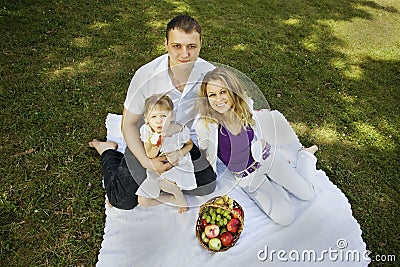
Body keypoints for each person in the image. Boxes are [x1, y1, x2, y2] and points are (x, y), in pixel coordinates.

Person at [89, 15, 216, 210]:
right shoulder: (146, 75)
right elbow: (128, 123)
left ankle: (164, 187)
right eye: (177, 46)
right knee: (122, 200)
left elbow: (229, 103)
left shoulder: (209, 73)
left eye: (192, 46)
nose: (185, 54)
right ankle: (108, 151)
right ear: (166, 44)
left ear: (200, 44)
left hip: (179, 141)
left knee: (208, 186)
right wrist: (148, 163)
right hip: (148, 140)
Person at [196, 67, 319, 225]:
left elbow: (257, 131)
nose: (218, 99)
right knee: (285, 218)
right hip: (248, 177)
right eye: (212, 95)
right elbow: (205, 154)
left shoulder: (244, 106)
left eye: (223, 92)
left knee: (308, 194)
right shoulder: (205, 125)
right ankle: (276, 183)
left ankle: (305, 155)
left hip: (267, 157)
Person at [136, 94, 196, 213]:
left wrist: (179, 152)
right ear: (146, 118)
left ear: (171, 116)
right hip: (158, 169)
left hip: (177, 165)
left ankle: (178, 194)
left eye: (163, 116)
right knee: (143, 201)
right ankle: (173, 199)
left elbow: (190, 145)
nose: (159, 121)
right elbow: (150, 155)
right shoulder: (147, 130)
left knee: (165, 184)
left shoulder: (179, 130)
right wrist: (158, 141)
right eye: (153, 116)